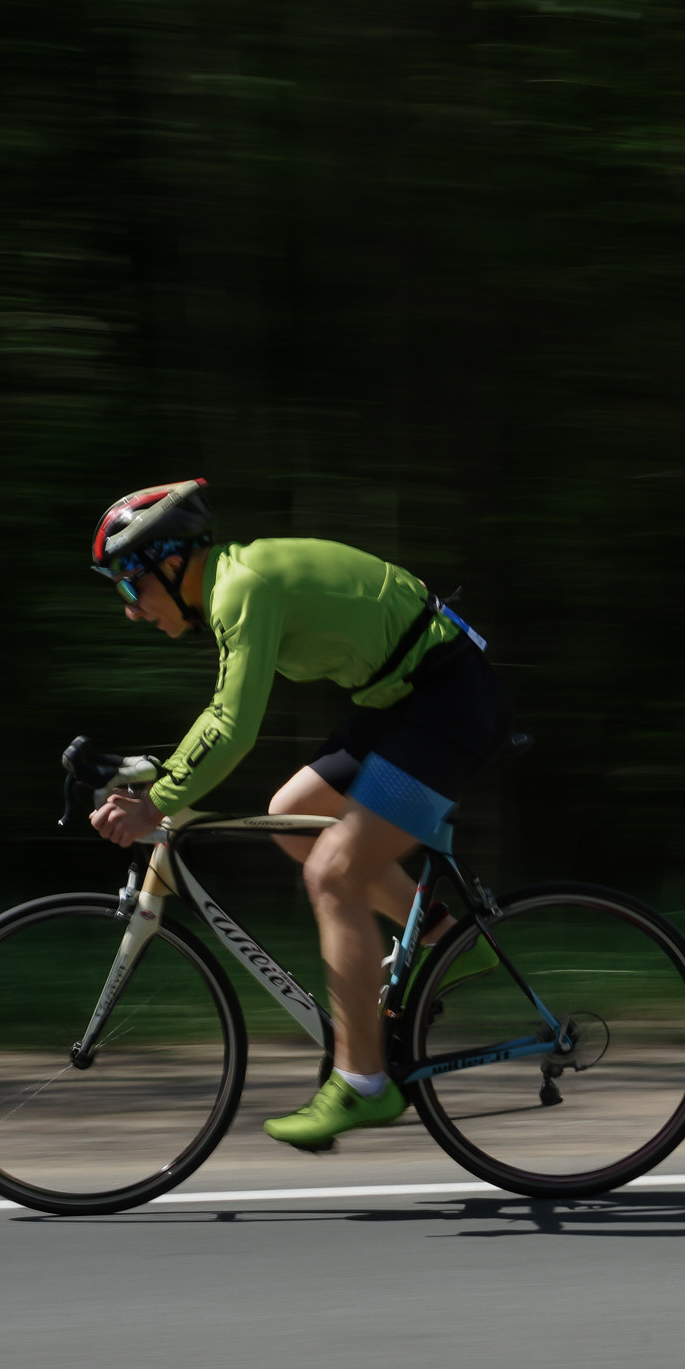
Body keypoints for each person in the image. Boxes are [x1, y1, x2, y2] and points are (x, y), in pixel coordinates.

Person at [85, 479, 513, 1146]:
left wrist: (158, 802)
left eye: (127, 586)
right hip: (400, 699)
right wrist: (153, 778)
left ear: (171, 561)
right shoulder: (232, 583)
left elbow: (232, 724)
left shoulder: (240, 587)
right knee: (291, 818)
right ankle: (442, 938)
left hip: (445, 701)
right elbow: (223, 717)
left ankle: (364, 1083)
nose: (131, 611)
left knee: (334, 875)